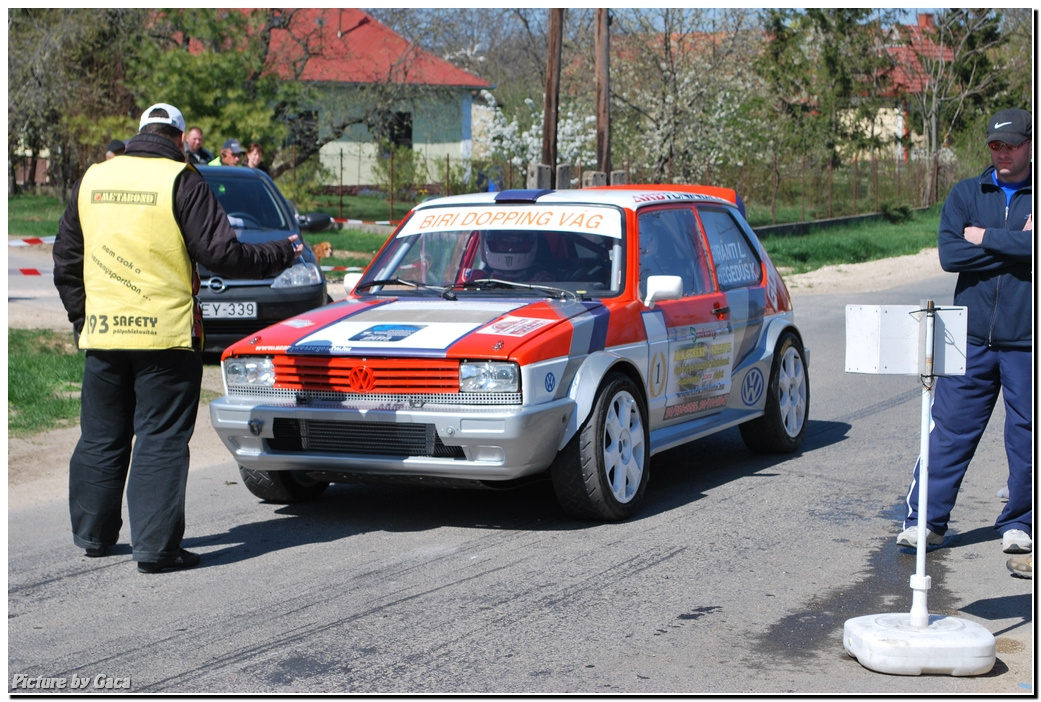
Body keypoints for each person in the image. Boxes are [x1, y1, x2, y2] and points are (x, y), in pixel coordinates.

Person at [52, 102, 303, 574]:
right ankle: (155, 550)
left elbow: (66, 257)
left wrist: (82, 316)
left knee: (101, 437)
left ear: (140, 132)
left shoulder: (93, 179)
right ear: (179, 138)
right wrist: (280, 253)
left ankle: (92, 536)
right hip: (165, 338)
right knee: (160, 440)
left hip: (104, 336)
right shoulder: (181, 179)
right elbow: (223, 255)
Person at [897, 108, 1032, 554]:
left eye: (1011, 144)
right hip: (969, 337)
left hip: (1027, 342)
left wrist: (983, 236)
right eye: (996, 145)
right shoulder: (966, 193)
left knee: (1028, 433)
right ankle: (927, 523)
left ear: (1030, 145)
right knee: (949, 428)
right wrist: (1018, 246)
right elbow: (951, 255)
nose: (1003, 153)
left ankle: (1020, 522)